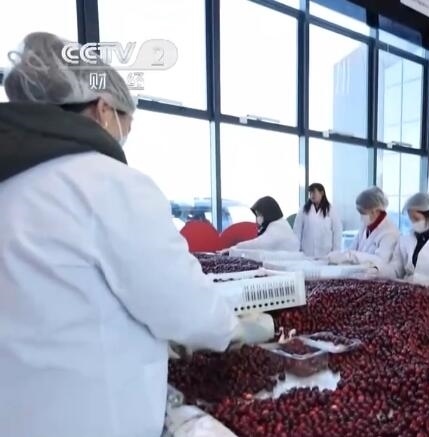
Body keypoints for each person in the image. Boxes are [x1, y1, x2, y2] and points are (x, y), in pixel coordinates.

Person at [0, 32, 273, 437]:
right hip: (93, 420)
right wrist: (230, 327)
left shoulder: (11, 181)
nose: (125, 132)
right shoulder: (105, 183)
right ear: (102, 108)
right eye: (127, 120)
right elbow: (180, 301)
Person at [326, 187, 400, 278]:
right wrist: (341, 257)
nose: (361, 215)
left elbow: (380, 262)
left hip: (377, 278)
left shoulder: (389, 232)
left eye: (363, 212)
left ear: (375, 211)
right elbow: (352, 249)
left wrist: (351, 256)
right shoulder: (366, 226)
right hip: (360, 275)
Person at [230, 196, 298, 251]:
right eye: (257, 215)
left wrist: (237, 246)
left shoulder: (277, 228)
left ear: (267, 213)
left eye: (259, 214)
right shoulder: (280, 224)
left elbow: (259, 244)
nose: (257, 218)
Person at [294, 183, 342, 257]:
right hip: (307, 254)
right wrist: (297, 250)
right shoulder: (304, 209)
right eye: (310, 193)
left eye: (314, 192)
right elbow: (297, 230)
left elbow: (337, 230)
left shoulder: (331, 210)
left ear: (322, 193)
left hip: (326, 254)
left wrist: (336, 252)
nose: (312, 195)